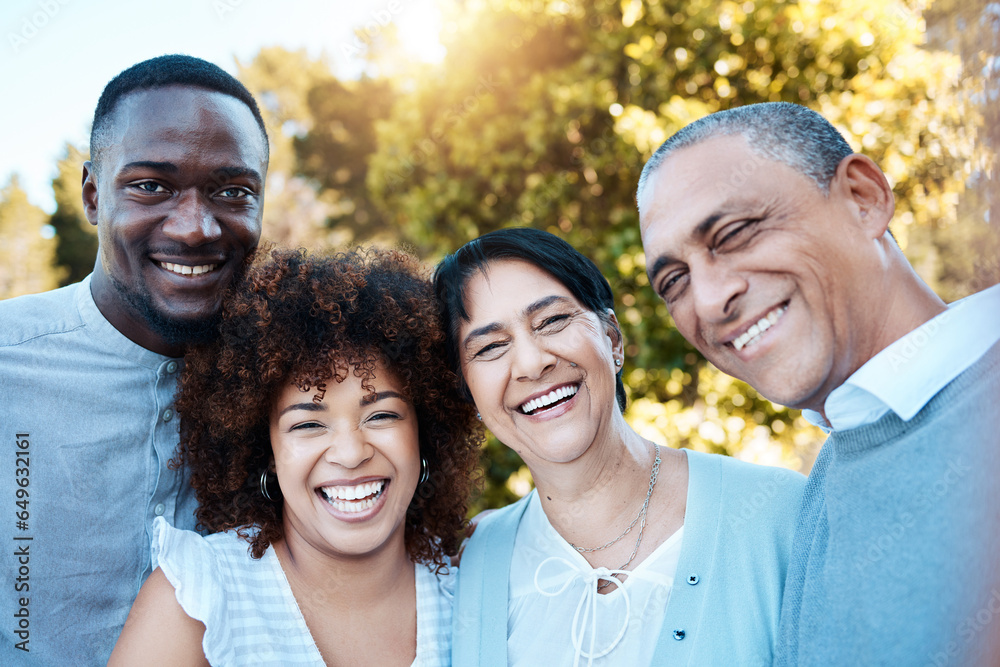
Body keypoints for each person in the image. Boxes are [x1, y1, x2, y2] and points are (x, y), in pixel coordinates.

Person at [636, 101, 1000, 665]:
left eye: (733, 233)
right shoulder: (831, 474)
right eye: (675, 280)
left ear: (863, 198)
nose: (709, 301)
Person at [0, 55, 269, 664]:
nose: (197, 227)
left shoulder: (293, 388)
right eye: (151, 185)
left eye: (233, 191)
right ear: (94, 194)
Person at [434, 227, 805, 666]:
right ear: (467, 393)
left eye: (552, 321)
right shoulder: (471, 562)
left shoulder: (778, 515)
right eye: (491, 347)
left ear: (612, 339)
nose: (532, 363)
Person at [109, 246, 481, 665]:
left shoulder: (476, 590)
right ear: (265, 448)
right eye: (308, 424)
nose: (351, 453)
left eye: (381, 415)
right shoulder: (200, 599)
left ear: (424, 431)